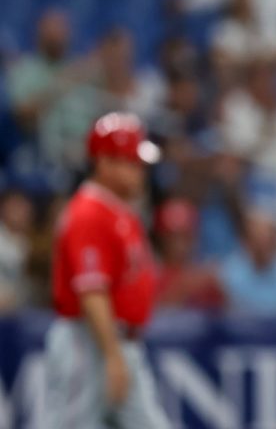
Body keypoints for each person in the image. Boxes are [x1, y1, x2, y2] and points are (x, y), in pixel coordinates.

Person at [44, 112, 171, 428]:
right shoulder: (89, 213)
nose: (140, 171)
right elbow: (92, 291)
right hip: (89, 340)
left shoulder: (117, 209)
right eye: (131, 161)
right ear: (104, 162)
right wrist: (112, 354)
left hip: (117, 341)